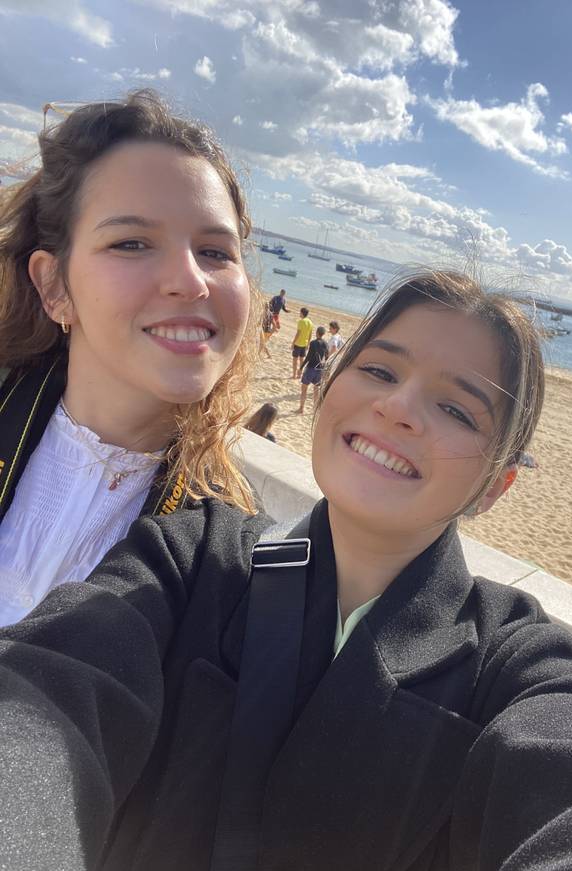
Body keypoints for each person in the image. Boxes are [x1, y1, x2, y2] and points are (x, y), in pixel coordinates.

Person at [1, 270, 572, 871]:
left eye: (456, 408)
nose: (399, 407)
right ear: (333, 386)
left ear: (494, 486)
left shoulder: (508, 665)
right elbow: (45, 705)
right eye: (379, 370)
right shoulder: (190, 558)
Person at [0, 90, 257, 627]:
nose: (190, 281)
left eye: (215, 252)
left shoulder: (238, 562)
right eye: (132, 243)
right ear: (54, 285)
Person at [298, 324, 328, 414]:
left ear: (317, 333)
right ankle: (314, 409)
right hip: (319, 369)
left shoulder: (313, 343)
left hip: (311, 368)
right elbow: (327, 356)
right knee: (316, 391)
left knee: (304, 389)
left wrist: (301, 367)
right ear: (323, 334)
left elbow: (308, 357)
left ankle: (301, 408)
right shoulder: (326, 344)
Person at [291, 306, 313, 378]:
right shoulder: (310, 322)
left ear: (302, 313)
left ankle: (294, 375)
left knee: (295, 360)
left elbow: (298, 333)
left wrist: (293, 342)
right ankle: (299, 375)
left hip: (298, 343)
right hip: (305, 344)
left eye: (300, 312)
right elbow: (310, 334)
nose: (299, 313)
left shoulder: (301, 321)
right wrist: (308, 344)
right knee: (301, 360)